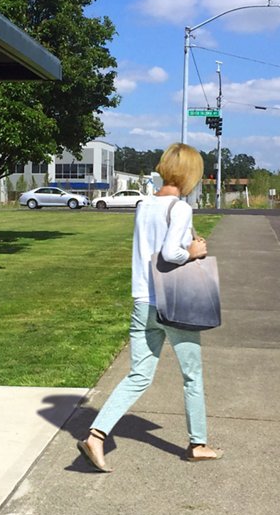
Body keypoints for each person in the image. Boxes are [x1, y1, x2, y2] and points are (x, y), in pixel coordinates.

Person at [77, 142, 222, 472]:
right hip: (173, 305)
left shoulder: (143, 205)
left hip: (143, 302)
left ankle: (96, 436)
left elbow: (149, 251)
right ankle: (197, 444)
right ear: (189, 174)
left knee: (138, 376)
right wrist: (194, 252)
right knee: (192, 376)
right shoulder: (181, 208)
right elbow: (171, 253)